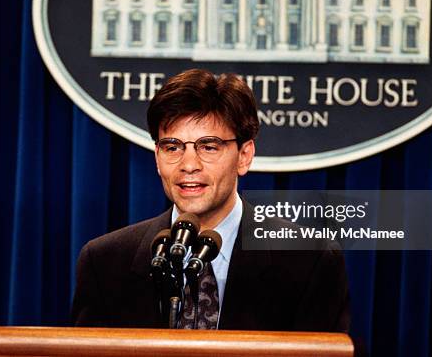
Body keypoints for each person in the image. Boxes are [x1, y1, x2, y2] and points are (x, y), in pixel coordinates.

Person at [71, 69, 350, 332]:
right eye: (172, 147)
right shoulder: (105, 262)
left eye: (208, 146)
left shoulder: (309, 261)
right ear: (157, 158)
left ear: (244, 155)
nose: (189, 164)